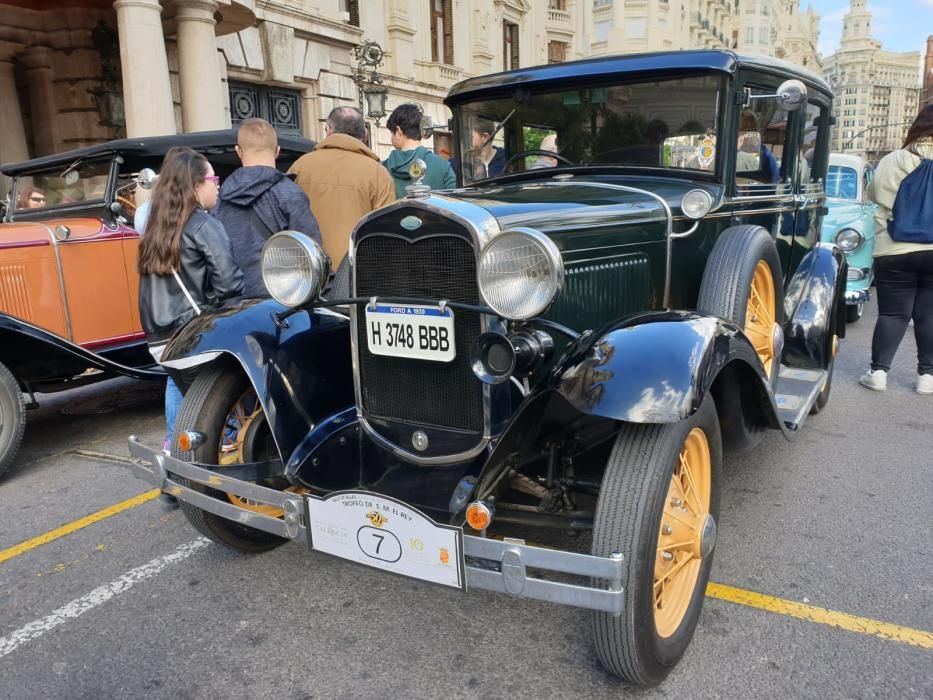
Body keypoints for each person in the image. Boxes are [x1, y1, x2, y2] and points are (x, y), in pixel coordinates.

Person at [137, 147, 244, 476]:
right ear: (197, 186)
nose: (218, 186)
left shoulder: (157, 225)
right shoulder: (202, 224)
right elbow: (229, 284)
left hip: (160, 338)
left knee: (181, 389)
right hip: (194, 335)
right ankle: (219, 470)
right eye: (213, 178)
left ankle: (174, 456)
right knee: (223, 410)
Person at [859, 104, 933, 395]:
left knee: (892, 314)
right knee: (929, 315)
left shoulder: (895, 159)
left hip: (895, 248)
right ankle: (927, 377)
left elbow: (875, 194)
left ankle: (878, 373)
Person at [213, 118, 322, 296]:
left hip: (235, 307)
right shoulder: (291, 194)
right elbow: (313, 254)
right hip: (285, 302)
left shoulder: (220, 199)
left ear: (238, 151)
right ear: (278, 151)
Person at [288, 106, 394, 271]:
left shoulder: (300, 166)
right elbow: (386, 232)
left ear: (328, 130)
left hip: (309, 271)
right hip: (356, 273)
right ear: (364, 135)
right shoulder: (378, 172)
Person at [383, 103, 456, 198]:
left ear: (398, 131)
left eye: (391, 132)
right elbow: (456, 203)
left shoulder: (382, 170)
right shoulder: (443, 166)